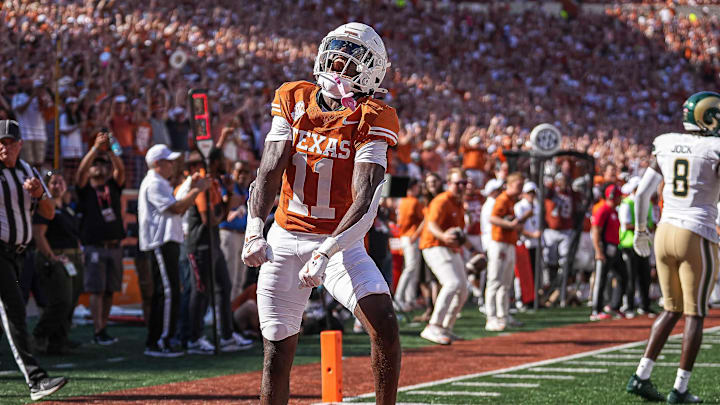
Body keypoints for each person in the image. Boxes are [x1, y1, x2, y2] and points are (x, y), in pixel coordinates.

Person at [242, 22, 401, 404]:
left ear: (371, 73)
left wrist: (326, 251)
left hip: (340, 244)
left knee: (384, 326)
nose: (337, 71)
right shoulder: (294, 97)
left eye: (348, 66)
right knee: (276, 354)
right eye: (334, 60)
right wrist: (253, 229)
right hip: (284, 236)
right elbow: (268, 170)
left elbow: (364, 200)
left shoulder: (374, 116)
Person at [627, 92, 720, 404]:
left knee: (671, 309)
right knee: (694, 314)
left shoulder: (665, 142)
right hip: (696, 232)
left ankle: (641, 376)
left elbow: (641, 195)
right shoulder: (714, 147)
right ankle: (680, 388)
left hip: (663, 232)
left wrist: (641, 230)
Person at [0, 120, 67, 400]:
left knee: (13, 311)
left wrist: (39, 194)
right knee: (15, 310)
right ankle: (36, 380)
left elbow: (50, 212)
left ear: (20, 144)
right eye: (0, 142)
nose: (4, 147)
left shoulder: (29, 171)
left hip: (19, 254)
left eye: (9, 142)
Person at [138, 144, 210, 357]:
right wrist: (197, 189)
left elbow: (176, 204)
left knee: (166, 293)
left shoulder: (158, 182)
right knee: (168, 294)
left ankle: (162, 339)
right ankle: (161, 340)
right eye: (168, 161)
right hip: (161, 242)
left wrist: (190, 184)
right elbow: (177, 208)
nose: (172, 165)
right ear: (158, 163)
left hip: (165, 241)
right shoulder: (154, 183)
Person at [186, 148, 250, 354]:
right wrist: (226, 205)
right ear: (214, 162)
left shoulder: (215, 183)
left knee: (224, 286)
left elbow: (219, 217)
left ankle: (226, 335)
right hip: (200, 243)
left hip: (212, 242)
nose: (226, 163)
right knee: (201, 291)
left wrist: (229, 195)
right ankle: (193, 337)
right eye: (222, 159)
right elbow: (210, 219)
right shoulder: (202, 183)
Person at [75, 131, 126, 345]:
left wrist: (110, 149)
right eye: (96, 164)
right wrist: (95, 149)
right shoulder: (86, 190)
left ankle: (103, 327)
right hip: (94, 246)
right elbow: (80, 173)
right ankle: (97, 330)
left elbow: (121, 170)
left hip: (114, 245)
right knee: (96, 290)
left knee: (109, 290)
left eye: (103, 164)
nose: (99, 167)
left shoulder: (112, 186)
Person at [32, 170, 84, 355]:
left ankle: (59, 341)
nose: (58, 186)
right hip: (56, 257)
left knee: (71, 302)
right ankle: (40, 334)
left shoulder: (68, 207)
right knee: (61, 301)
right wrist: (52, 258)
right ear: (47, 186)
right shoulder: (46, 207)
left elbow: (73, 234)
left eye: (61, 182)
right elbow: (39, 235)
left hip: (74, 259)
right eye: (53, 183)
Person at [418, 168, 471, 344]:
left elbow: (460, 234)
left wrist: (474, 250)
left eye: (464, 183)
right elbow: (431, 224)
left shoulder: (458, 203)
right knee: (452, 283)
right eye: (458, 183)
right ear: (449, 184)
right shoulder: (442, 200)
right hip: (433, 245)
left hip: (449, 247)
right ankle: (433, 326)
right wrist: (443, 236)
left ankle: (446, 327)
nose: (462, 187)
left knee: (463, 289)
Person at [485, 173, 526, 332]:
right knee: (495, 280)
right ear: (510, 184)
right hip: (499, 242)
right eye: (518, 185)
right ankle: (491, 316)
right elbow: (493, 219)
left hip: (508, 242)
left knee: (506, 282)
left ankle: (503, 314)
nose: (520, 188)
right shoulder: (502, 199)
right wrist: (511, 226)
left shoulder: (510, 200)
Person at [619, 176, 655, 317]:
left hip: (644, 243)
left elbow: (651, 223)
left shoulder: (648, 204)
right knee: (630, 276)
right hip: (630, 244)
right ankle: (628, 305)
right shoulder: (627, 203)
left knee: (645, 276)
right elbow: (626, 224)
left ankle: (645, 306)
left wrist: (647, 228)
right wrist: (642, 228)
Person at [590, 184, 627, 321]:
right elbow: (596, 230)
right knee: (601, 278)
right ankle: (596, 310)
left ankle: (614, 305)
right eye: (618, 196)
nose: (620, 199)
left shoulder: (613, 211)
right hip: (605, 247)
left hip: (614, 248)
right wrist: (598, 250)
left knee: (623, 276)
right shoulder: (603, 210)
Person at [394, 178, 425, 311]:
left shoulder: (402, 201)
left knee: (411, 269)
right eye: (417, 187)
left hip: (404, 237)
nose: (419, 189)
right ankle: (399, 298)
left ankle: (409, 299)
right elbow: (425, 220)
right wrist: (416, 235)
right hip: (411, 237)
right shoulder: (414, 202)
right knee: (410, 269)